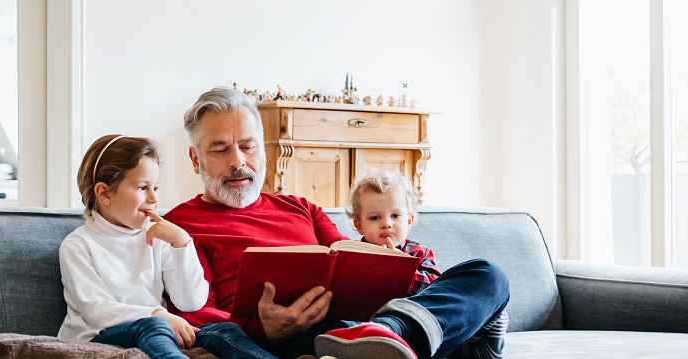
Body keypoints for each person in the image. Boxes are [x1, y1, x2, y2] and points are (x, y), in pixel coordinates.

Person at [163, 86, 510, 359]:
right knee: (333, 343)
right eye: (220, 149)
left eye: (247, 146)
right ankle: (420, 341)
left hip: (364, 322)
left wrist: (386, 264)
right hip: (299, 339)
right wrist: (261, 330)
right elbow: (197, 315)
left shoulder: (301, 207)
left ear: (263, 151)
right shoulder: (178, 228)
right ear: (195, 159)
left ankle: (393, 335)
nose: (238, 161)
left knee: (487, 275)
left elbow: (350, 259)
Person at [57, 134, 277, 359]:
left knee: (225, 331)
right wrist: (158, 315)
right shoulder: (79, 245)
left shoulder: (157, 236)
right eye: (143, 188)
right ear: (104, 193)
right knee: (154, 328)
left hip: (157, 329)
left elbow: (190, 302)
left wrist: (182, 244)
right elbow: (97, 311)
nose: (154, 199)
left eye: (156, 187)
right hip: (99, 336)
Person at [341, 167, 508, 359]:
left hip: (418, 326)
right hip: (364, 325)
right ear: (359, 225)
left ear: (409, 220)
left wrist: (399, 268)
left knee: (486, 273)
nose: (386, 223)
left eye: (395, 216)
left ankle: (474, 339)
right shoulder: (351, 254)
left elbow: (434, 289)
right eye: (374, 217)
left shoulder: (418, 253)